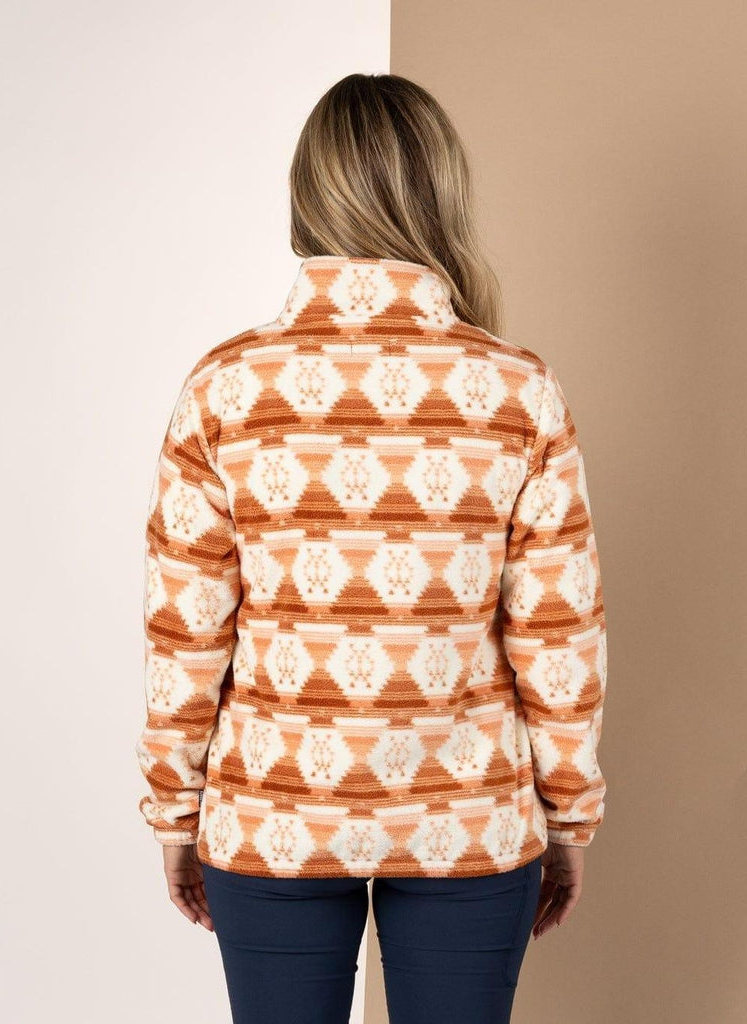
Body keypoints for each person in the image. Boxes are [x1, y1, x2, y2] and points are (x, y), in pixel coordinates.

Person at [135, 72, 608, 1024]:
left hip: (271, 811)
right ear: (441, 194)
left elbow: (186, 631)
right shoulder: (519, 391)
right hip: (471, 815)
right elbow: (556, 636)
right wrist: (567, 817)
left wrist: (176, 813)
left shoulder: (225, 387)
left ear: (308, 196)